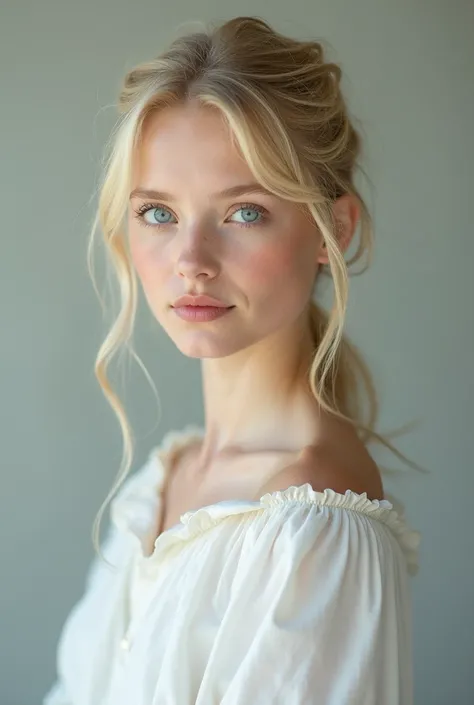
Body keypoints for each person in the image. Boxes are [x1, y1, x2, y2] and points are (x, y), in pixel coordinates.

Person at [43, 15, 421, 705]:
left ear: (332, 230)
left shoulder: (314, 532)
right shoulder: (164, 481)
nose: (191, 262)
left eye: (244, 212)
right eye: (158, 212)